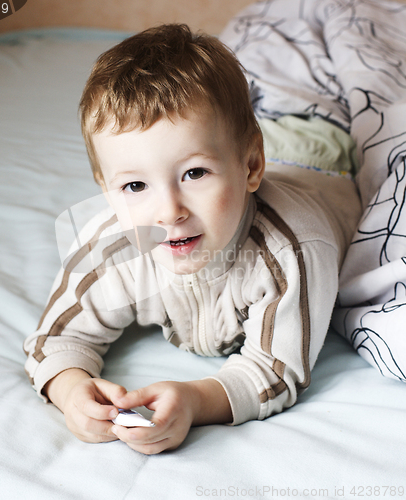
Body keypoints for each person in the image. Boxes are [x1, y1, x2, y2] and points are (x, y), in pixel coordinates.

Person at [23, 24, 362, 455]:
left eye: (194, 174)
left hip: (318, 158)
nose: (169, 212)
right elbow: (55, 340)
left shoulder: (291, 248)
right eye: (134, 186)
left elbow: (276, 369)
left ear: (252, 166)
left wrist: (196, 400)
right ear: (106, 189)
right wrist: (71, 390)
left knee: (328, 108)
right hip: (251, 147)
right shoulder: (113, 249)